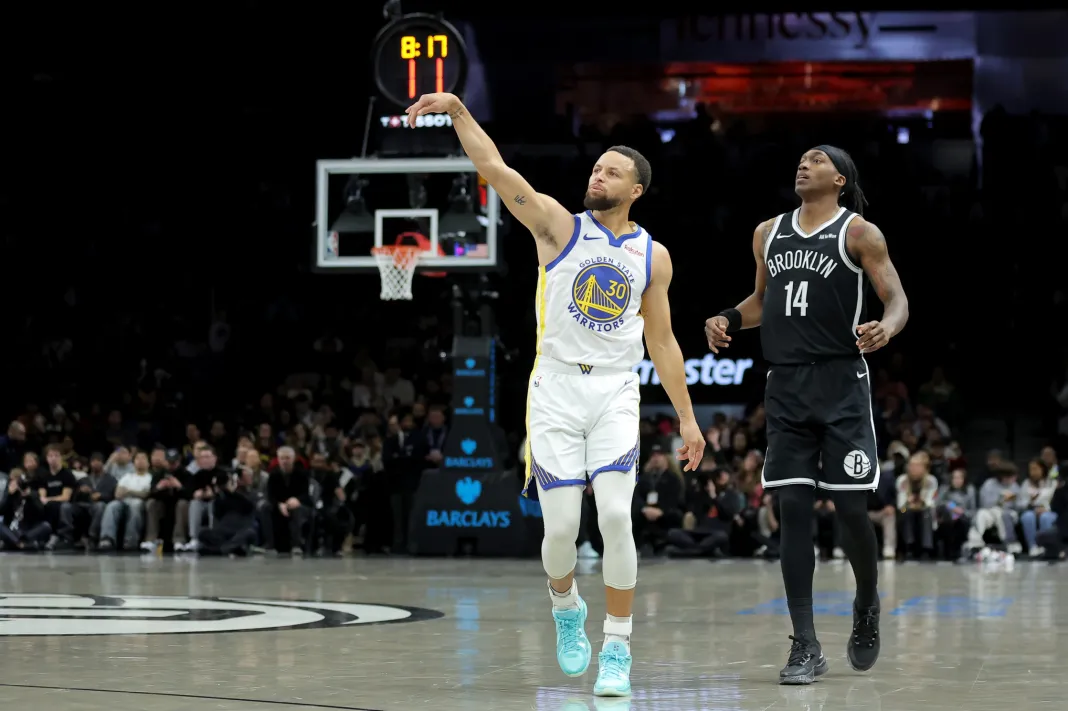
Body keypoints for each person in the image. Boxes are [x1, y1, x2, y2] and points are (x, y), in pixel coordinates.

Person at [406, 92, 705, 697]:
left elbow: (665, 343)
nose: (598, 174)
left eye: (612, 171)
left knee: (618, 515)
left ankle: (617, 646)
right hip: (556, 388)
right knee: (562, 529)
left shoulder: (654, 256)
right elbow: (496, 170)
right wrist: (460, 112)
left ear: (636, 189)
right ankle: (566, 609)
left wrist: (688, 420)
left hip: (616, 389)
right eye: (596, 167)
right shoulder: (557, 226)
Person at [705, 145, 909, 684]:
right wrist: (728, 316)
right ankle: (805, 644)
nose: (802, 164)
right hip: (787, 384)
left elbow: (897, 300)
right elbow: (762, 302)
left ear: (839, 178)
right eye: (798, 159)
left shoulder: (860, 233)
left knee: (848, 511)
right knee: (792, 510)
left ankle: (866, 600)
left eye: (816, 160)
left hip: (842, 381)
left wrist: (886, 327)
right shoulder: (767, 232)